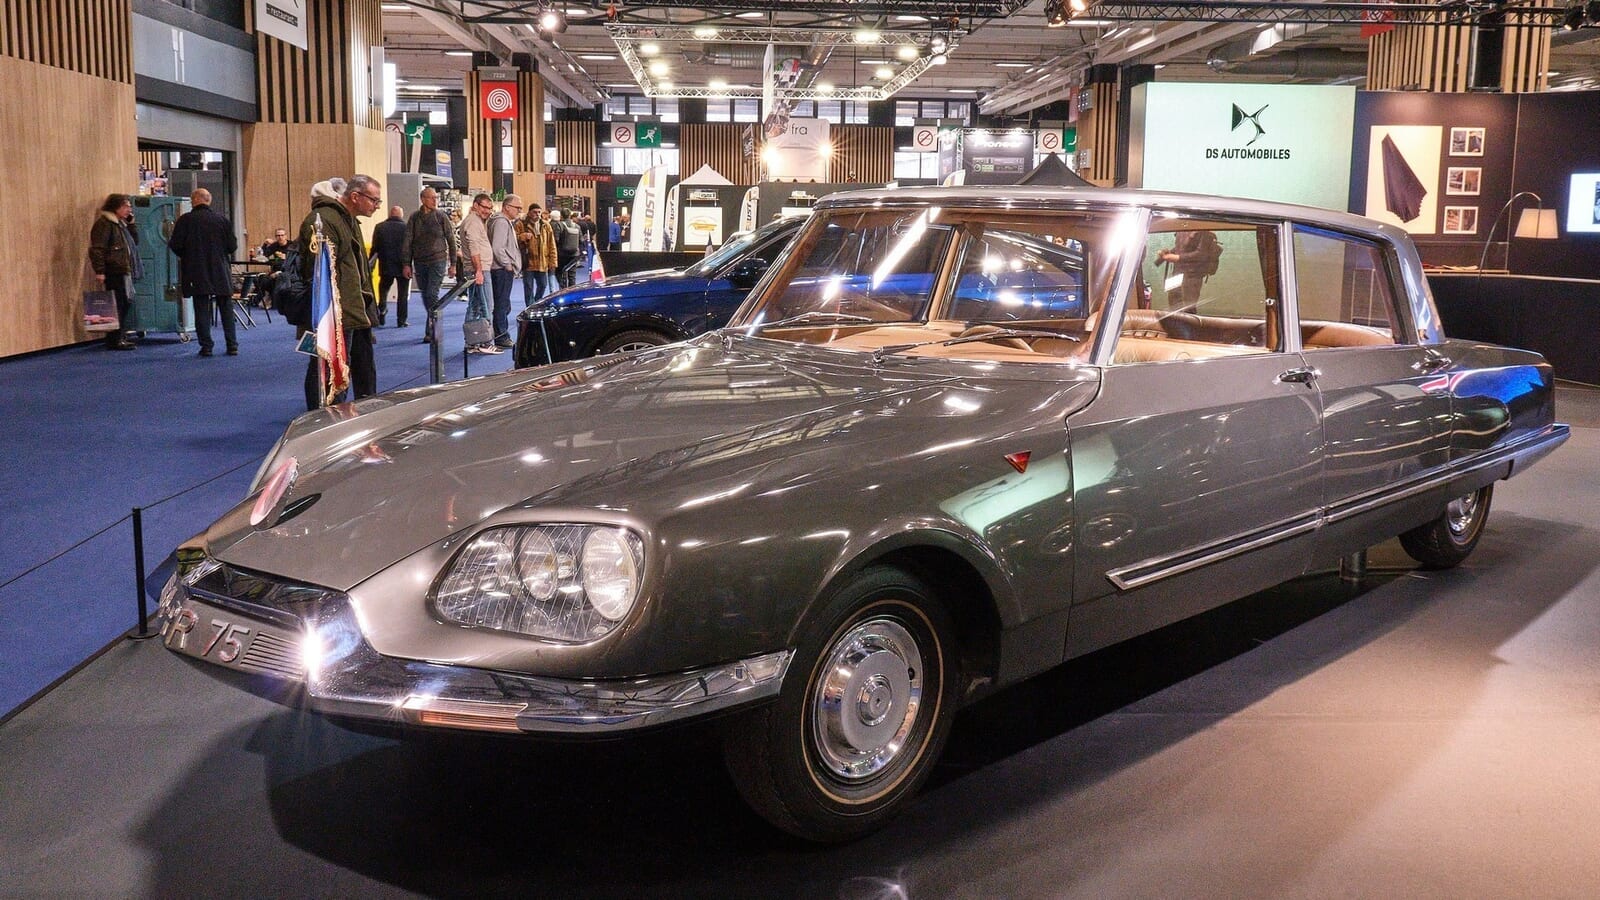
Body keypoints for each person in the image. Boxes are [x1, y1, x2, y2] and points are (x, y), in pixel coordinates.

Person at [297, 174, 381, 408]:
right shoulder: (323, 220)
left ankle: (350, 412)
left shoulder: (347, 220)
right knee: (330, 369)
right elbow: (317, 272)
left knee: (356, 368)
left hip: (354, 308)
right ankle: (324, 418)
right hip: (334, 312)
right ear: (355, 196)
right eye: (374, 200)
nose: (376, 206)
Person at [167, 188, 238, 357]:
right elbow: (232, 246)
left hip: (196, 270)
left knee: (201, 309)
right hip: (220, 270)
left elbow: (175, 245)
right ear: (208, 200)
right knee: (226, 308)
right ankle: (232, 345)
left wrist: (188, 256)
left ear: (195, 200)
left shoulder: (185, 220)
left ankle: (206, 346)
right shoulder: (222, 220)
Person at [402, 186, 458, 343]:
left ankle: (432, 329)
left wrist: (453, 264)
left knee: (431, 294)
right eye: (431, 198)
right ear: (423, 199)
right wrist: (406, 264)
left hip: (438, 261)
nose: (435, 200)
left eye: (436, 198)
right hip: (420, 262)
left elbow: (451, 240)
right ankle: (433, 319)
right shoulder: (414, 218)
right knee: (425, 295)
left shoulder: (441, 217)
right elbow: (408, 241)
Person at [87, 193, 141, 350]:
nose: (129, 210)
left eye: (129, 207)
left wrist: (131, 225)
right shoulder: (105, 224)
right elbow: (97, 249)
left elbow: (134, 242)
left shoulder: (120, 225)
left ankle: (119, 336)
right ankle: (115, 339)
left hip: (123, 269)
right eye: (125, 206)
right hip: (114, 270)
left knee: (125, 302)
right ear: (115, 207)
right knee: (118, 304)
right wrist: (100, 270)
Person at [460, 192, 499, 355]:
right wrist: (478, 271)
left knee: (475, 307)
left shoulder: (476, 221)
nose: (487, 211)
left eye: (490, 208)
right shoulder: (473, 222)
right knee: (486, 306)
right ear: (475, 205)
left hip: (478, 269)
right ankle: (484, 342)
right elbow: (474, 247)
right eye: (485, 207)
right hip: (479, 270)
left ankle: (473, 343)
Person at [488, 194, 522, 349]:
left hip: (501, 269)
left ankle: (500, 335)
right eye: (517, 207)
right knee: (501, 305)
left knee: (504, 304)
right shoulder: (501, 222)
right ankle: (501, 336)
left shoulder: (503, 221)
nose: (519, 210)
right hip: (501, 270)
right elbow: (498, 247)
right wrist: (507, 264)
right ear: (507, 207)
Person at [1155, 229, 1222, 306]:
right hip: (1177, 273)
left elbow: (1201, 254)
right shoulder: (1182, 227)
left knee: (1188, 307)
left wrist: (1177, 257)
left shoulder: (1204, 229)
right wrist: (1169, 253)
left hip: (1192, 276)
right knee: (1173, 305)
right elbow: (1182, 248)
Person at [369, 205, 408, 327]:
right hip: (403, 265)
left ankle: (382, 309)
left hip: (386, 264)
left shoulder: (380, 227)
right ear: (401, 215)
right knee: (402, 294)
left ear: (390, 214)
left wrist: (370, 264)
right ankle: (401, 320)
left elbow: (375, 248)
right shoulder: (407, 228)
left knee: (384, 288)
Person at [515, 202, 557, 307]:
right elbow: (512, 239)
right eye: (535, 212)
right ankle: (530, 307)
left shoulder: (546, 225)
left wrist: (553, 262)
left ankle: (536, 303)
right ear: (529, 212)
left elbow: (551, 244)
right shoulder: (521, 224)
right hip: (528, 262)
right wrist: (522, 237)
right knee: (528, 287)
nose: (537, 214)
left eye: (539, 212)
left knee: (543, 285)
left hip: (542, 262)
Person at [552, 209, 582, 288]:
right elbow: (581, 240)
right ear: (570, 215)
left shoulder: (559, 225)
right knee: (572, 276)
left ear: (561, 216)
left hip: (562, 254)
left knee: (561, 274)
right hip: (574, 254)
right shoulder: (577, 226)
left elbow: (556, 239)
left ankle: (563, 290)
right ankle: (572, 291)